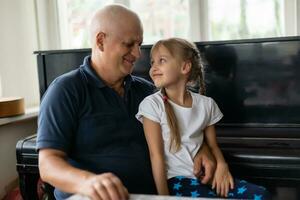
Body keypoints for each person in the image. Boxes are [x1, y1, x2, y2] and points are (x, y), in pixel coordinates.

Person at [37, 4, 216, 200]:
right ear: (100, 41)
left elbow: (185, 128)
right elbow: (48, 165)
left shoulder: (148, 91)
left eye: (139, 45)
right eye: (129, 44)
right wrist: (88, 182)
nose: (138, 54)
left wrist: (203, 149)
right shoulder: (65, 90)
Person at [136, 38, 271, 199]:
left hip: (205, 177)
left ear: (185, 67)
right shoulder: (151, 105)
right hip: (177, 181)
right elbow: (155, 156)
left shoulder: (206, 104)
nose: (153, 68)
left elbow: (212, 146)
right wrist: (164, 197)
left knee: (261, 194)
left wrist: (222, 166)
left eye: (162, 61)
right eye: (152, 62)